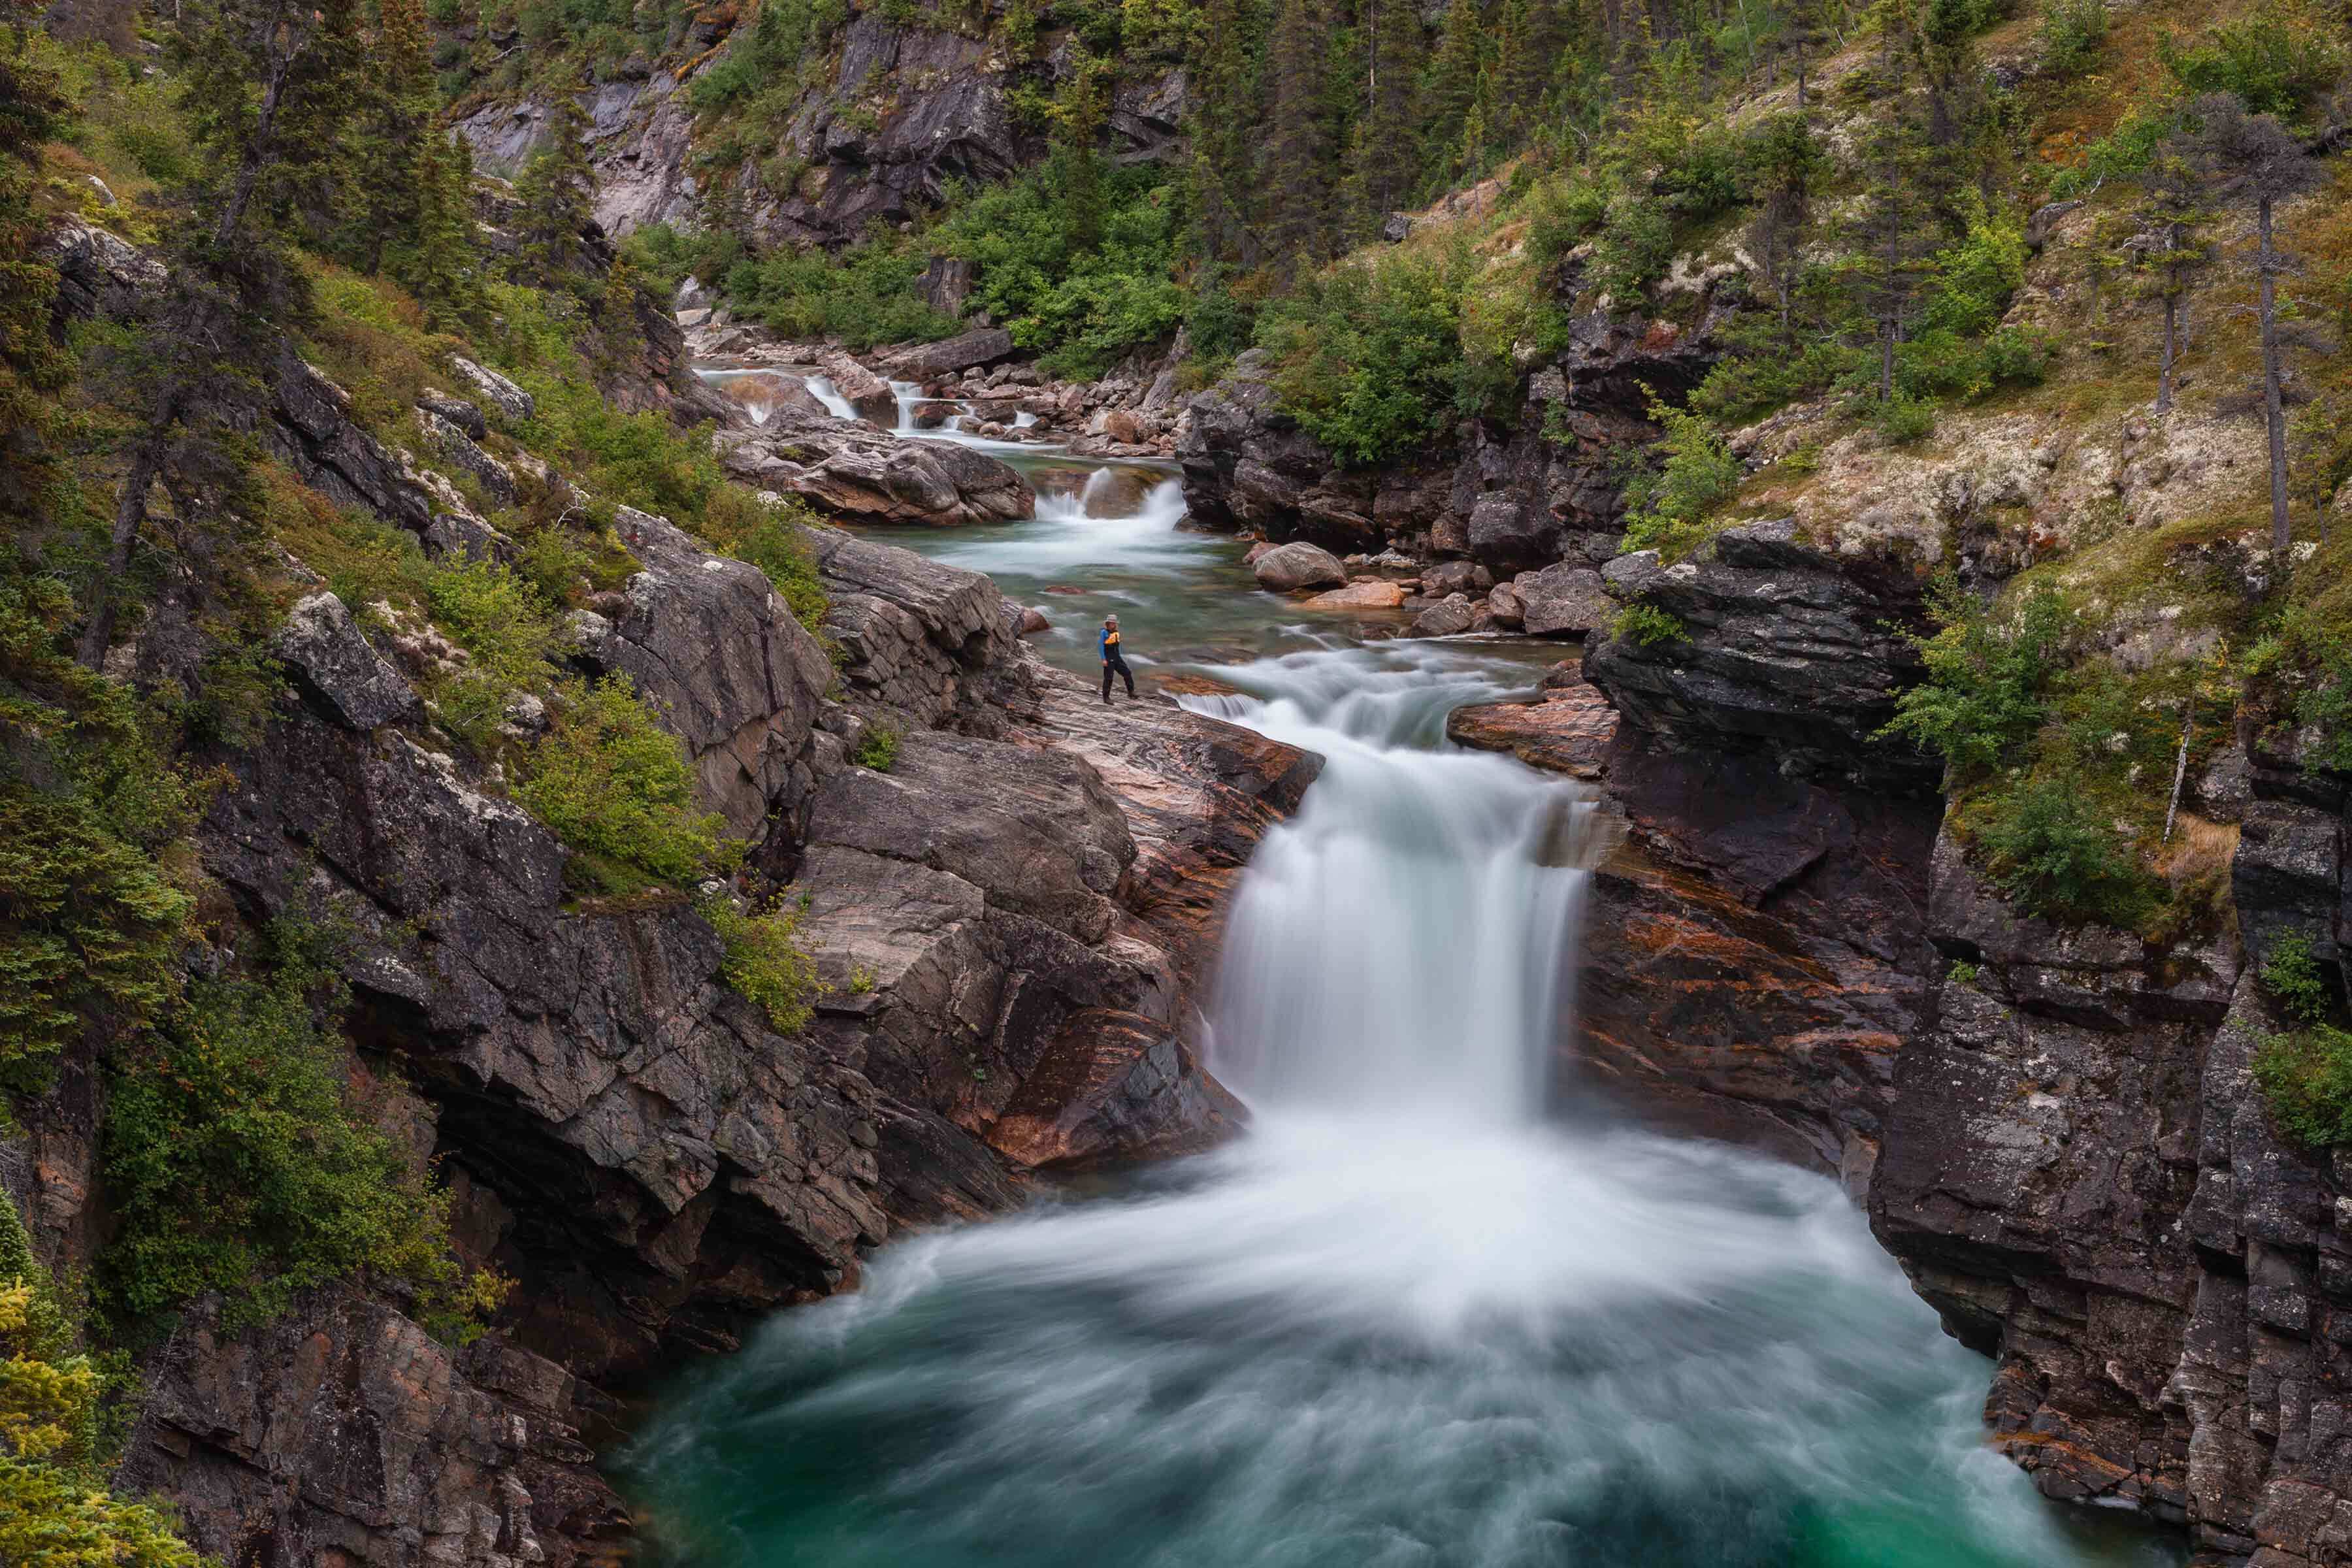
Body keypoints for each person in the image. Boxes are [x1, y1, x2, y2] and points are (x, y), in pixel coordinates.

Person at [1100, 613, 1135, 704]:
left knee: (1127, 673)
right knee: (1109, 678)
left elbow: (1117, 646)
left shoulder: (1116, 633)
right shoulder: (1104, 633)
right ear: (1108, 624)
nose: (1114, 625)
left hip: (1117, 657)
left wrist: (1119, 656)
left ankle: (1131, 692)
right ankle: (1106, 697)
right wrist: (1104, 659)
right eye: (1112, 623)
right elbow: (1101, 647)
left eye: (1115, 623)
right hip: (1108, 657)